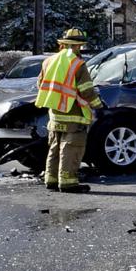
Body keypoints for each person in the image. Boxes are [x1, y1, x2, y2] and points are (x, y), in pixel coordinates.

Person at [34, 28, 103, 193]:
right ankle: (68, 182)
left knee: (55, 146)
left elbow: (40, 84)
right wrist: (97, 105)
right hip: (74, 114)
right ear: (78, 46)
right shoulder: (77, 64)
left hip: (55, 113)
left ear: (62, 44)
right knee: (71, 147)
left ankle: (51, 179)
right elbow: (86, 90)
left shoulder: (48, 61)